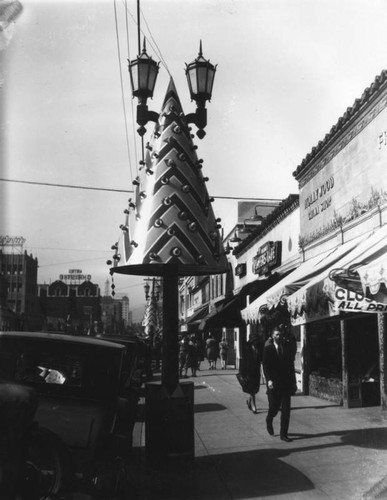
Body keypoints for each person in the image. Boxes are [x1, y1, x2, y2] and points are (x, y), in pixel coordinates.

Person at [262, 326, 296, 442]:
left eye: (280, 334)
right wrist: (269, 380)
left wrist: (294, 383)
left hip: (286, 383)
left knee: (286, 410)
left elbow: (291, 366)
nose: (279, 336)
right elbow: (265, 366)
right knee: (274, 408)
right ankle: (269, 419)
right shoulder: (268, 349)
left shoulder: (287, 348)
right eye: (276, 334)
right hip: (273, 384)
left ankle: (283, 434)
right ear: (272, 336)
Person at [239, 333, 262, 414]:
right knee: (252, 390)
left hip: (256, 371)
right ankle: (254, 406)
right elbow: (243, 361)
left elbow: (261, 359)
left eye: (257, 341)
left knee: (255, 389)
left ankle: (249, 402)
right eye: (254, 341)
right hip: (248, 371)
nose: (256, 342)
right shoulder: (246, 348)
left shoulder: (259, 348)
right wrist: (242, 372)